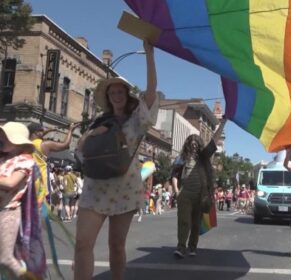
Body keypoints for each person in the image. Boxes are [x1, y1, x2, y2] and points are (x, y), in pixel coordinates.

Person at [73, 41, 159, 280]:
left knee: (116, 246)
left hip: (124, 188)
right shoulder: (98, 121)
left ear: (126, 95)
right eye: (113, 92)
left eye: (121, 91)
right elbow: (81, 151)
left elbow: (151, 92)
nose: (117, 95)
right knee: (82, 245)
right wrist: (92, 134)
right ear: (108, 97)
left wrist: (150, 55)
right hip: (94, 187)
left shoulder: (136, 120)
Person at [171, 118, 226, 258]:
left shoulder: (203, 157)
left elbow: (214, 141)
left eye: (196, 144)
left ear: (200, 145)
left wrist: (223, 123)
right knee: (184, 221)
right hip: (185, 195)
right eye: (192, 144)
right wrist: (177, 191)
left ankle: (192, 247)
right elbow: (175, 175)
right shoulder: (181, 158)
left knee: (196, 223)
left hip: (201, 196)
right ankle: (181, 247)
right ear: (188, 145)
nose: (194, 146)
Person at [0, 122, 38, 278]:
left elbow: (10, 183)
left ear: (16, 142)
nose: (0, 139)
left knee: (6, 259)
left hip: (8, 212)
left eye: (4, 136)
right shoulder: (3, 158)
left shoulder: (25, 160)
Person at [28, 122, 78, 206]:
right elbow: (65, 145)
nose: (43, 132)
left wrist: (51, 129)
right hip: (41, 181)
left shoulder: (26, 143)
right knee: (42, 210)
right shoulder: (45, 144)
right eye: (41, 130)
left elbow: (39, 133)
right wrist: (70, 130)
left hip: (29, 180)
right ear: (37, 132)